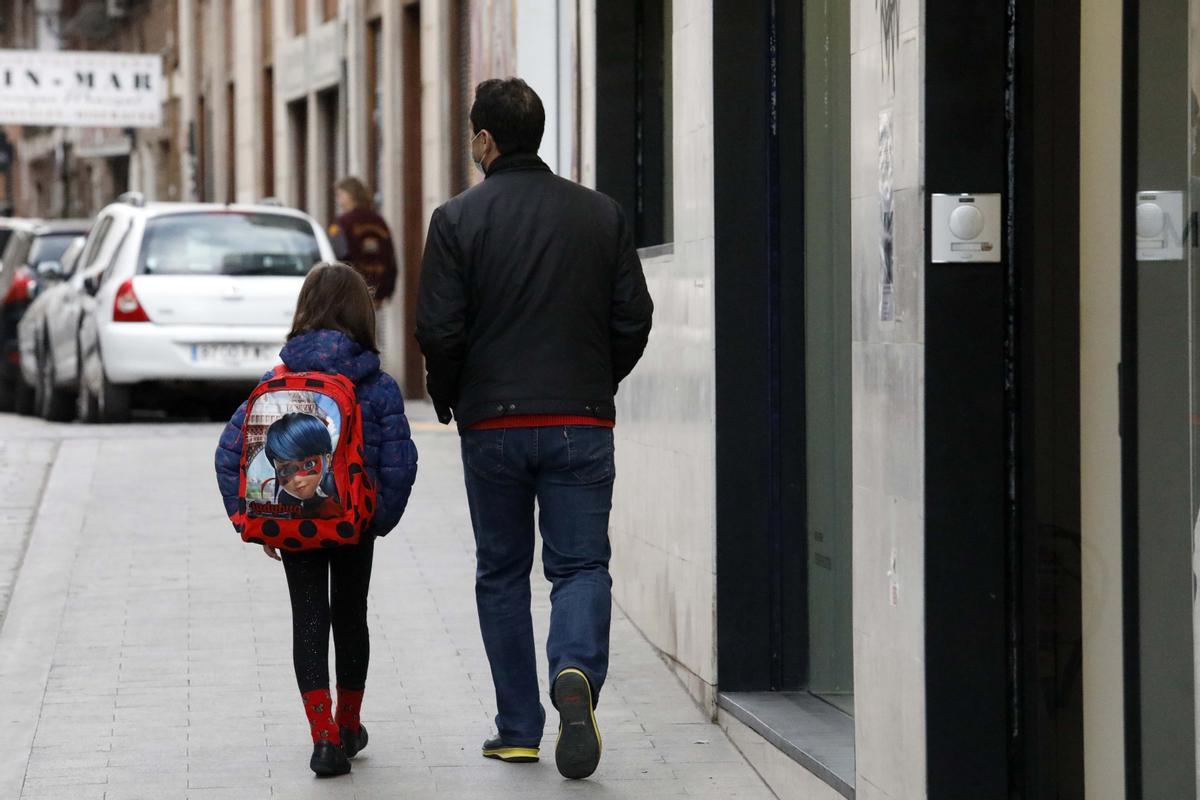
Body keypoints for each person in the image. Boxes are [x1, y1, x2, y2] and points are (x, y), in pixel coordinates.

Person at [415, 77, 653, 781]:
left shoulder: (456, 220)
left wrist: (452, 395)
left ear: (485, 141)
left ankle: (518, 728)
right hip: (581, 420)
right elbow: (634, 318)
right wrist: (595, 382)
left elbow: (439, 329)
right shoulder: (600, 214)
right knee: (580, 565)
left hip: (493, 426)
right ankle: (575, 669)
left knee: (502, 572)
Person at [214, 262, 418, 777]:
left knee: (308, 618)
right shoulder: (378, 386)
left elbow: (228, 452)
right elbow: (399, 461)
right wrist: (378, 519)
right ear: (361, 314)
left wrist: (253, 517)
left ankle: (323, 739)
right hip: (353, 525)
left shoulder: (277, 381)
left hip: (296, 528)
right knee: (351, 616)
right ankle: (350, 725)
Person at [328, 177, 398, 308]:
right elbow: (390, 258)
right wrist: (386, 290)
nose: (339, 201)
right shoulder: (380, 222)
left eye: (340, 195)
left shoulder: (342, 223)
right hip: (377, 290)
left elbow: (337, 256)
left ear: (350, 195)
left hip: (351, 291)